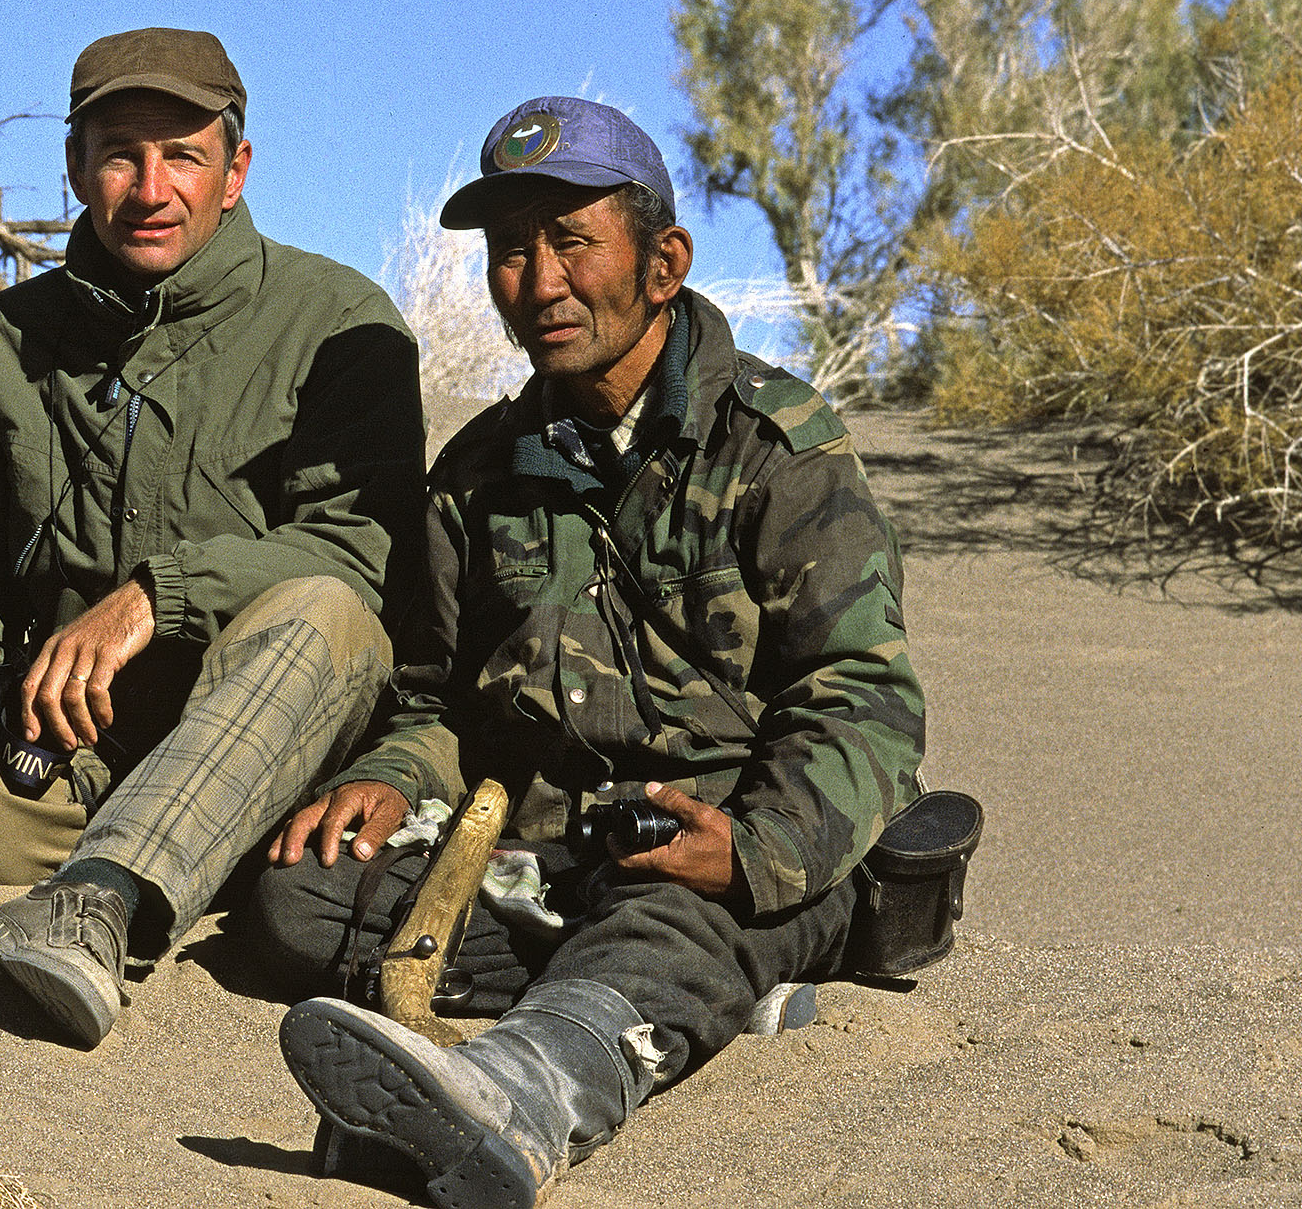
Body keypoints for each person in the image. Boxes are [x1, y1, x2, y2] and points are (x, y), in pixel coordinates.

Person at [254, 96, 925, 1207]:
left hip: (729, 838)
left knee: (685, 911)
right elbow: (435, 695)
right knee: (301, 897)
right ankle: (683, 998)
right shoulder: (476, 472)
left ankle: (522, 1100)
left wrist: (755, 849)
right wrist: (386, 775)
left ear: (663, 263)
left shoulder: (777, 447)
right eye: (510, 250)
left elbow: (862, 696)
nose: (539, 280)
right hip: (548, 851)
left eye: (570, 240)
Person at [0, 27, 424, 1049]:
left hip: (293, 737)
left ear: (236, 170)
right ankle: (178, 864)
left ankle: (104, 898)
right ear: (76, 166)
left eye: (183, 155)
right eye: (121, 154)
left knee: (324, 605)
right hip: (97, 746)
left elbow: (362, 556)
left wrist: (153, 598)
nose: (150, 187)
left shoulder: (336, 321)